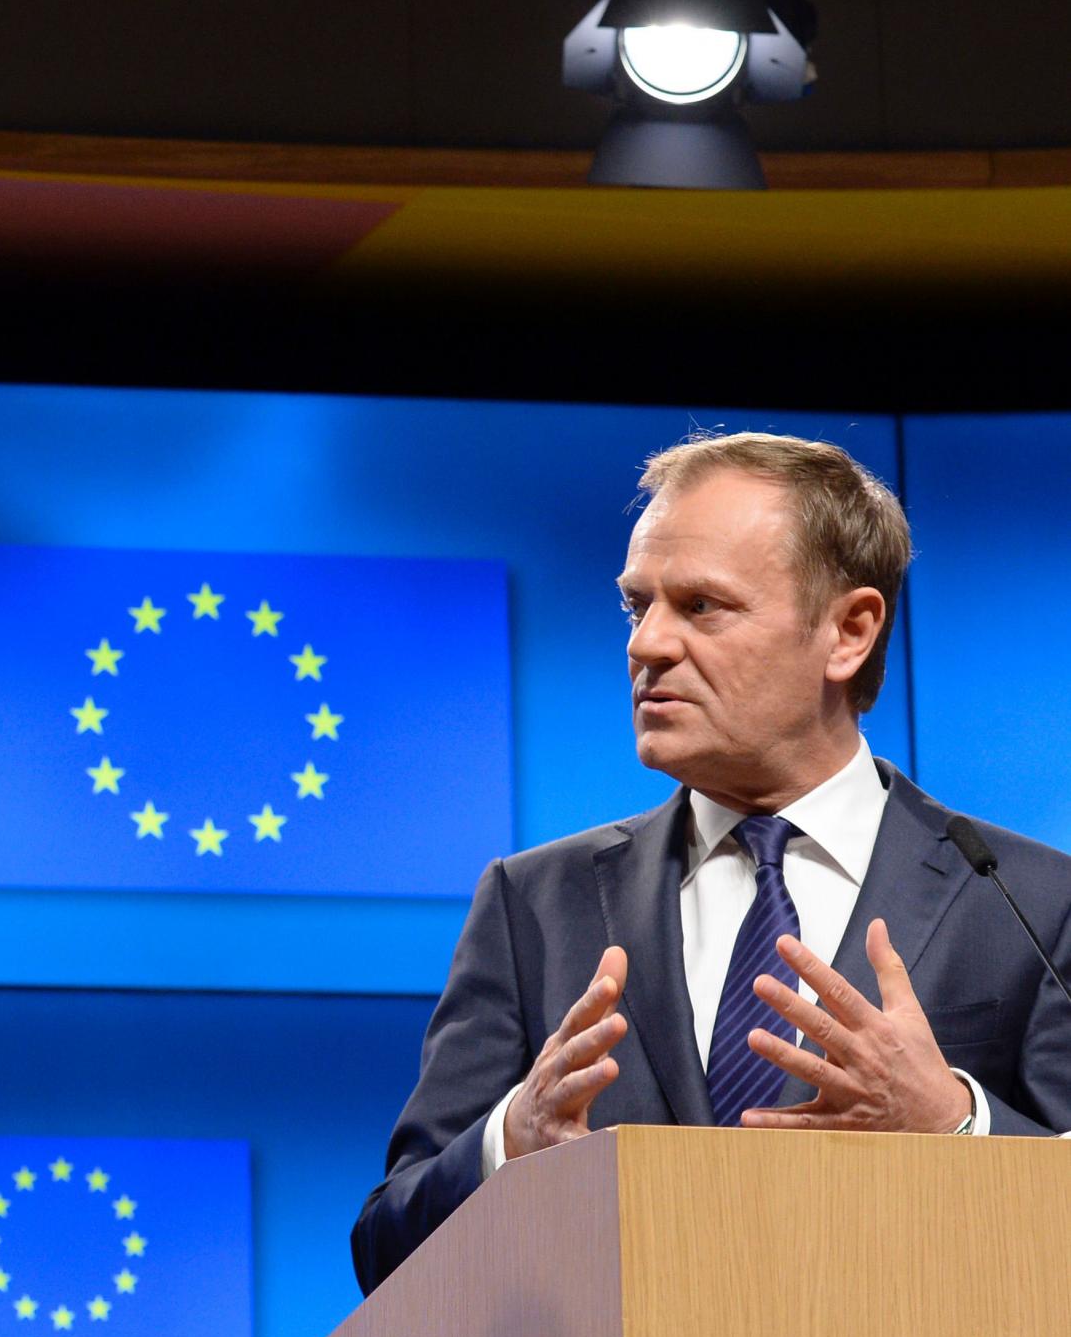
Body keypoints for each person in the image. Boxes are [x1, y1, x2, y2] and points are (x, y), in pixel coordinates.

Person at [352, 431, 1071, 1293]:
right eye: (636, 605)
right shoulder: (534, 905)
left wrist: (956, 1127)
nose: (646, 644)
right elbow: (386, 1248)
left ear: (849, 630)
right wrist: (512, 1138)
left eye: (701, 607)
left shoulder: (1029, 902)